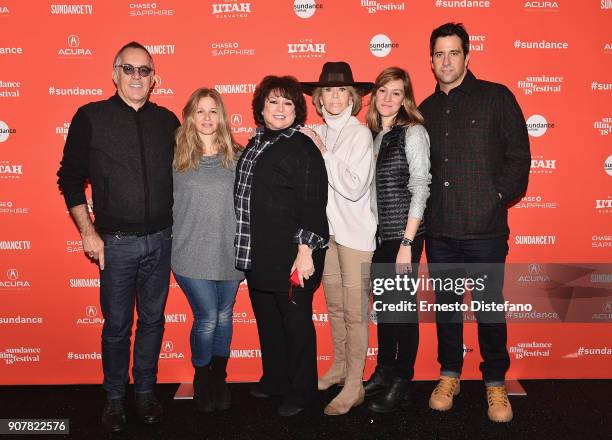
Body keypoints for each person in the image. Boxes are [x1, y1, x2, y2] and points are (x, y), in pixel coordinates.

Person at [57, 42, 180, 432]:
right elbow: (70, 178)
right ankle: (113, 399)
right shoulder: (90, 117)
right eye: (129, 69)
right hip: (116, 244)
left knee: (153, 321)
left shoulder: (167, 121)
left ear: (154, 77)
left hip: (162, 240)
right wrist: (88, 232)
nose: (137, 77)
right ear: (115, 74)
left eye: (145, 70)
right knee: (116, 326)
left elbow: (205, 156)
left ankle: (145, 392)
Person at [419, 23, 531, 423]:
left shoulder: (496, 98)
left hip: (485, 230)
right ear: (430, 60)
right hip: (441, 230)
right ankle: (449, 373)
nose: (446, 61)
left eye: (453, 53)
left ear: (467, 56)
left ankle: (495, 381)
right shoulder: (424, 111)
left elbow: (519, 157)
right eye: (438, 54)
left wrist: (495, 197)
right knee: (447, 308)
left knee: (488, 307)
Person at [234, 75, 329, 417]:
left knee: (296, 326)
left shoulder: (302, 147)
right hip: (259, 253)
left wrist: (305, 251)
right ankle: (275, 379)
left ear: (297, 111)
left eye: (288, 103)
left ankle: (302, 392)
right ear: (260, 107)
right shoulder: (257, 143)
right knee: (269, 323)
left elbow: (314, 201)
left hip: (291, 256)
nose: (280, 109)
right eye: (273, 101)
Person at [300, 61, 376, 416]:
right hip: (326, 236)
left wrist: (324, 153)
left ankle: (355, 384)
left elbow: (354, 186)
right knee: (333, 306)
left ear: (352, 96)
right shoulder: (317, 131)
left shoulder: (359, 134)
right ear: (319, 96)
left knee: (355, 313)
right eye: (328, 89)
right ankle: (340, 367)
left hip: (356, 236)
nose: (334, 95)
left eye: (341, 90)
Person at [362, 67, 431, 413]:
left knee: (401, 311)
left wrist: (407, 243)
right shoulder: (376, 135)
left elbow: (420, 187)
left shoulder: (413, 132)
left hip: (404, 235)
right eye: (383, 91)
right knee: (387, 311)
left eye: (396, 93)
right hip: (379, 237)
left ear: (406, 99)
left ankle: (403, 380)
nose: (388, 99)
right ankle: (384, 370)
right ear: (374, 95)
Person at [171, 88, 244, 413]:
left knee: (225, 315)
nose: (207, 118)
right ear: (190, 116)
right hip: (189, 254)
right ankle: (202, 375)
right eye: (200, 111)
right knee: (208, 317)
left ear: (222, 117)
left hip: (230, 252)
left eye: (213, 111)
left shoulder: (239, 156)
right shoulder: (175, 156)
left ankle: (219, 376)